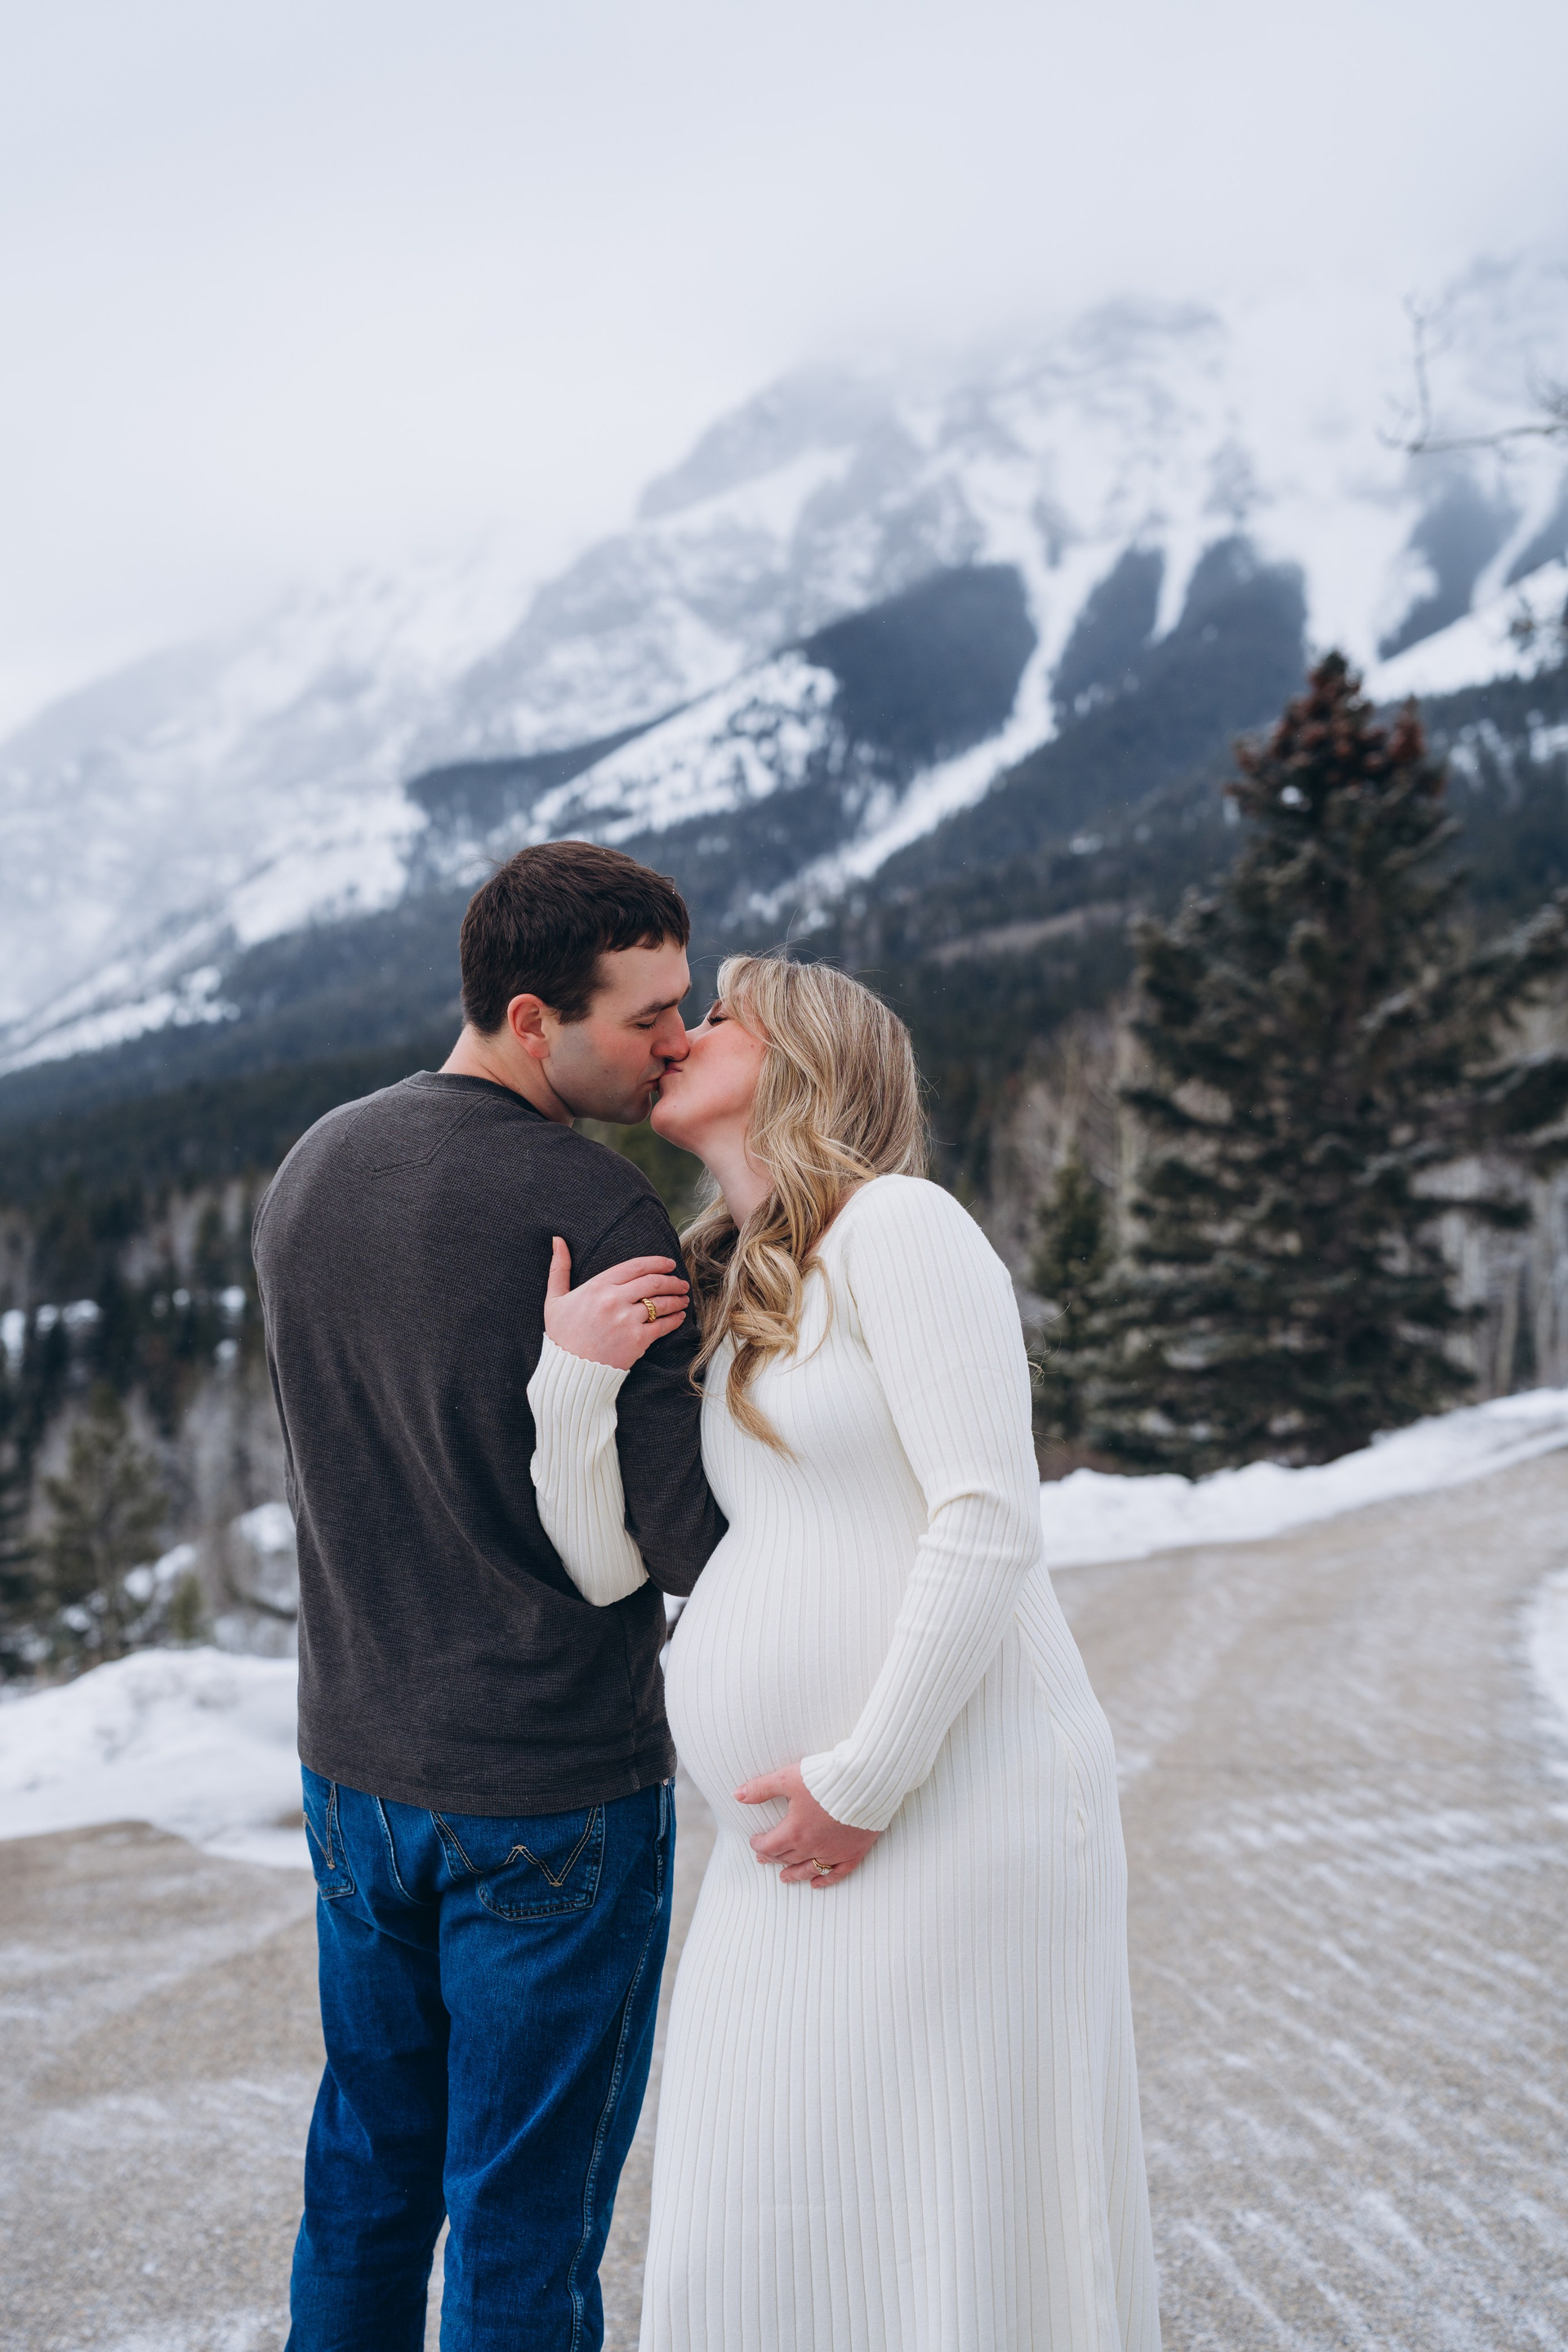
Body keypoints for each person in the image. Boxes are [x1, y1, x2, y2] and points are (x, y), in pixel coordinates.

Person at [528, 952, 1161, 2352]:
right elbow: (610, 1569)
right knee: (753, 2198)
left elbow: (988, 1517)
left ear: (804, 1061)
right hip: (790, 1836)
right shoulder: (729, 1282)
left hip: (956, 1798)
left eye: (722, 1018)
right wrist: (572, 1380)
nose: (681, 1037)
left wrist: (867, 1777)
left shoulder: (901, 1229)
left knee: (947, 2197)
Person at [252, 841, 726, 2352]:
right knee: (525, 2225)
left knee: (366, 2180)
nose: (678, 1041)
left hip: (353, 1771)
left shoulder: (312, 1167)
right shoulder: (597, 1209)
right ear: (533, 1020)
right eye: (647, 1015)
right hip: (549, 1787)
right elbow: (688, 1544)